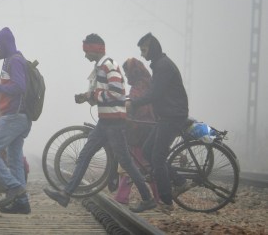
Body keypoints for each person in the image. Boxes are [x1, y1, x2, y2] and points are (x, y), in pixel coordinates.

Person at [43, 33, 156, 212]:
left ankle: (148, 198)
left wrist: (92, 95)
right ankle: (66, 194)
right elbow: (106, 94)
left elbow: (117, 93)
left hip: (115, 123)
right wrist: (86, 97)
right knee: (85, 155)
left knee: (125, 162)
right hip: (106, 122)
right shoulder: (101, 66)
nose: (85, 55)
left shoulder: (109, 65)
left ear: (96, 49)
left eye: (87, 51)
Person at [126, 33, 189, 213]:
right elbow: (153, 93)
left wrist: (133, 103)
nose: (142, 54)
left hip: (173, 116)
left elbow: (155, 94)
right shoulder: (160, 65)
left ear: (152, 48)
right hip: (167, 116)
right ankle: (180, 181)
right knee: (147, 150)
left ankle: (166, 201)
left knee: (157, 158)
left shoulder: (163, 67)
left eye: (144, 50)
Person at [0, 27, 32, 214]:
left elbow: (19, 87)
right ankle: (22, 204)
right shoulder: (12, 60)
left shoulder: (14, 61)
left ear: (4, 45)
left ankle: (14, 187)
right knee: (14, 160)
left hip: (13, 116)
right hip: (19, 117)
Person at [114, 57, 159, 205]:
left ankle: (122, 197)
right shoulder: (145, 83)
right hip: (142, 129)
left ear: (134, 71)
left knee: (136, 164)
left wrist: (126, 108)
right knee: (144, 165)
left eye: (127, 73)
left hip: (142, 130)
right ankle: (159, 198)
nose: (126, 76)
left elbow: (141, 106)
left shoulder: (141, 85)